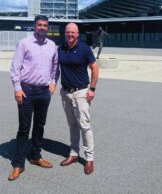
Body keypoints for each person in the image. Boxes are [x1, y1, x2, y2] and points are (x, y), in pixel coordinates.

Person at [8, 15, 59, 181]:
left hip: (44, 92)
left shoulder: (52, 45)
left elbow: (55, 67)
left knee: (39, 125)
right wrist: (17, 88)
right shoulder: (24, 43)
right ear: (34, 26)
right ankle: (18, 164)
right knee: (24, 128)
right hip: (26, 91)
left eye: (45, 25)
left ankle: (36, 156)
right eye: (39, 25)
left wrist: (53, 83)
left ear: (48, 27)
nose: (42, 27)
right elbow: (15, 67)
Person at [58, 23, 99, 174]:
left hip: (81, 93)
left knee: (84, 126)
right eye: (68, 32)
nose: (70, 34)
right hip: (66, 93)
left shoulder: (84, 48)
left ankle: (89, 158)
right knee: (72, 125)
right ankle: (74, 153)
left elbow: (95, 68)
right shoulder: (60, 48)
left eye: (72, 32)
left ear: (77, 33)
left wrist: (92, 89)